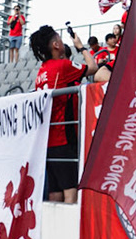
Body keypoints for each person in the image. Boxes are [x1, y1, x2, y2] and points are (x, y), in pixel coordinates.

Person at [32, 24, 100, 204]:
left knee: (55, 191)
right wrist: (80, 47)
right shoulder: (62, 66)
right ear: (55, 45)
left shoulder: (41, 71)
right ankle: (68, 232)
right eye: (60, 40)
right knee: (70, 189)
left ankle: (54, 231)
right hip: (63, 137)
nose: (63, 43)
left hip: (47, 139)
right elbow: (92, 67)